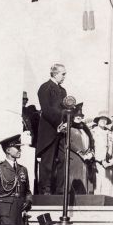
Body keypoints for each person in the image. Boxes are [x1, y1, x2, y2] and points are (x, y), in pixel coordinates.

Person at [36, 63, 67, 194]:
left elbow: (65, 109)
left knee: (63, 160)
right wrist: (58, 124)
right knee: (47, 162)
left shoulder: (63, 90)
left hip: (61, 131)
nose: (65, 76)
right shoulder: (45, 87)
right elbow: (47, 110)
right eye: (63, 73)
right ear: (55, 73)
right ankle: (45, 189)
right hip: (49, 131)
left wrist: (65, 123)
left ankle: (60, 190)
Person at [67, 104, 95, 194]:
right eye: (76, 116)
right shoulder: (69, 128)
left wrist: (91, 152)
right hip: (75, 158)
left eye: (80, 116)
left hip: (86, 159)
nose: (78, 117)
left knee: (85, 179)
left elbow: (91, 141)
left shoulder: (84, 129)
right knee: (76, 179)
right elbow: (68, 142)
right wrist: (79, 152)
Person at [92, 111, 113, 197]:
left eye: (105, 120)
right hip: (98, 164)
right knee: (99, 185)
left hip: (109, 163)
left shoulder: (110, 133)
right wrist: (100, 160)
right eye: (101, 119)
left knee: (108, 186)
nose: (103, 121)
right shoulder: (93, 133)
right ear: (98, 121)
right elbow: (92, 148)